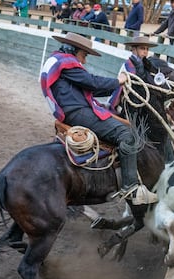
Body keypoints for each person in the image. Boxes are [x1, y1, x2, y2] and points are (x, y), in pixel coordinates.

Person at [40, 33, 158, 205]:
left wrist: (120, 84)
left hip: (73, 110)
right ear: (75, 50)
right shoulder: (68, 64)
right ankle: (131, 188)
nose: (85, 60)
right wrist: (119, 80)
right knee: (128, 136)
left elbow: (92, 89)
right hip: (78, 112)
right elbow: (93, 83)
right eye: (84, 55)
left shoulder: (59, 63)